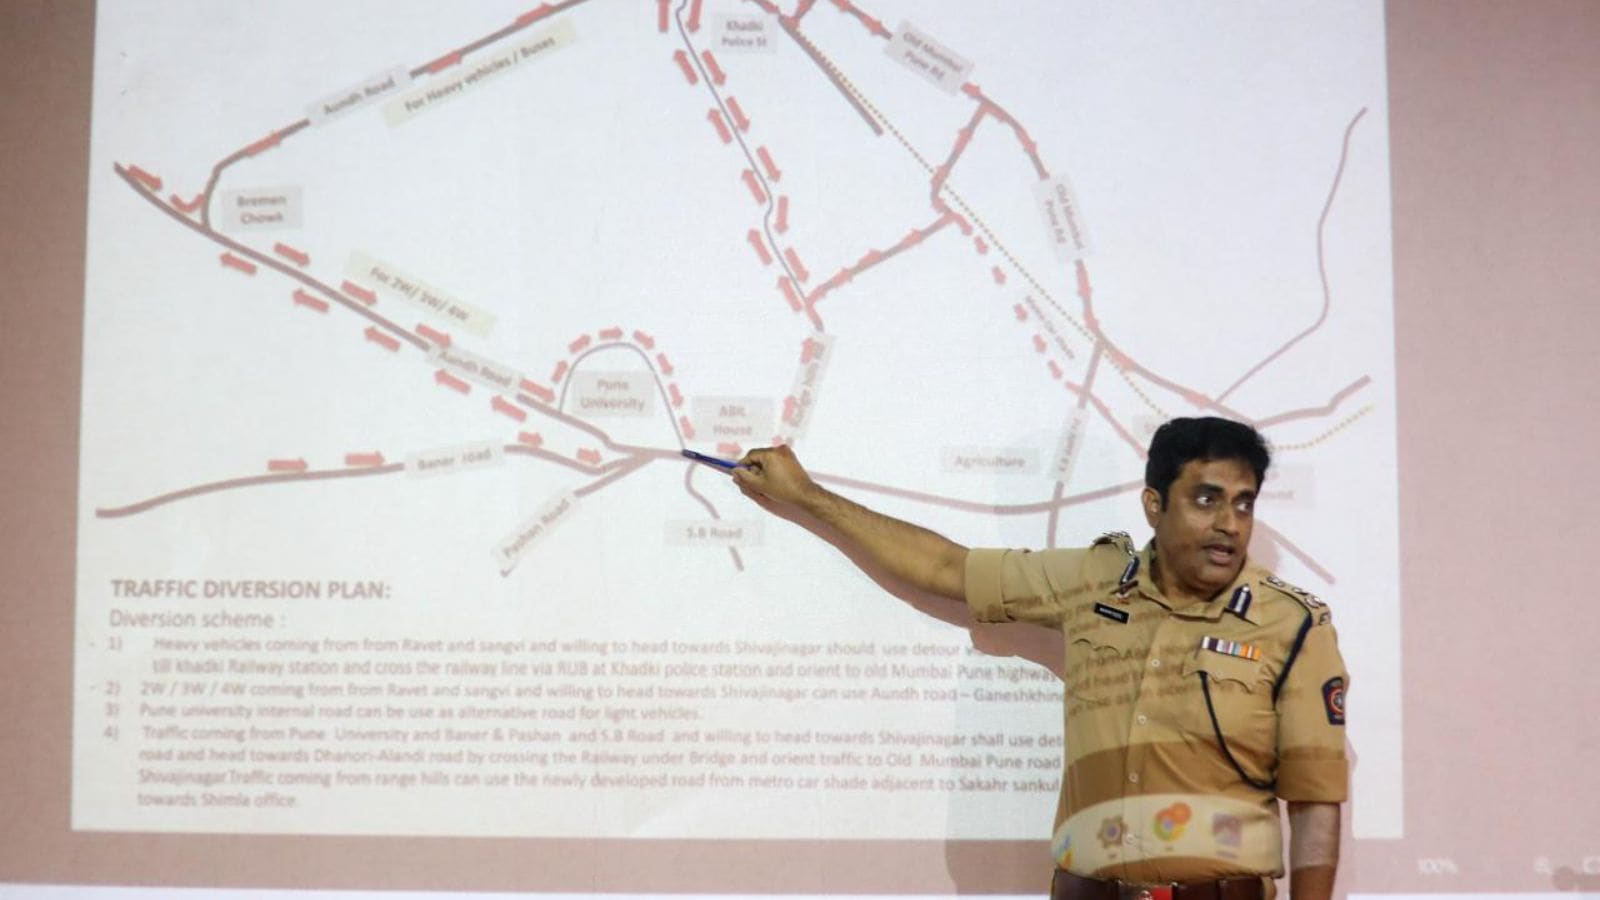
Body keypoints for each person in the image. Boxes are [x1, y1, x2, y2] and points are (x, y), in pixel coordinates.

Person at [731, 417, 1347, 900]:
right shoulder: (1094, 581)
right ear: (1154, 505)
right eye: (1207, 500)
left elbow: (1314, 800)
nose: (1229, 524)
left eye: (1243, 503)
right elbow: (946, 567)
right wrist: (807, 496)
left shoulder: (1292, 624)